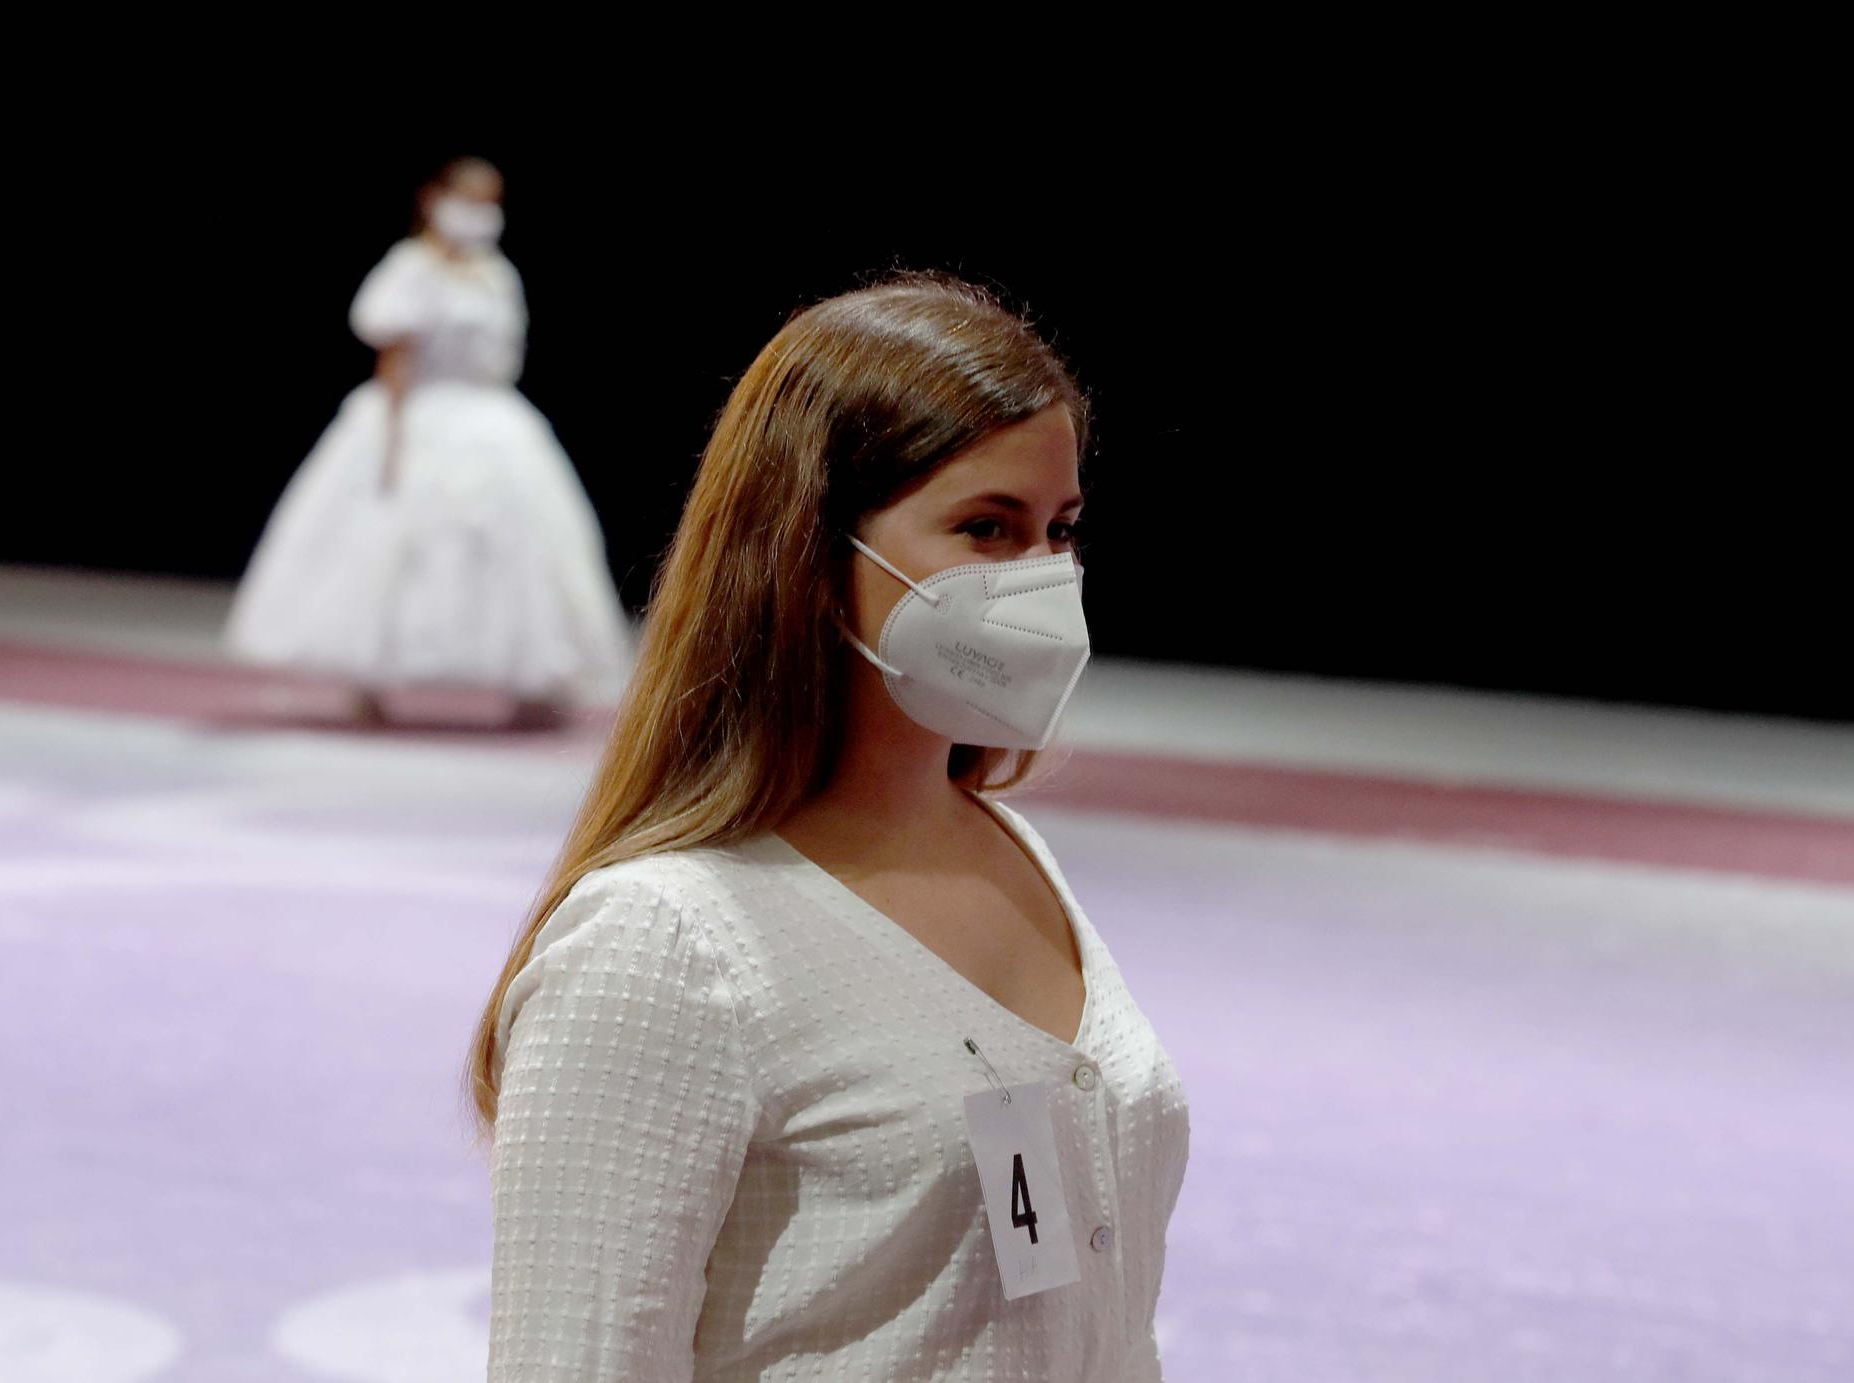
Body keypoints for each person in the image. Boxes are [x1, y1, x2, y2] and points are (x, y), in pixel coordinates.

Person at [465, 271, 1191, 1380]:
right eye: (986, 529)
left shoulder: (1011, 852)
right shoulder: (663, 945)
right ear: (807, 554)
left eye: (1060, 529)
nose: (1044, 580)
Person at [224, 156, 631, 724]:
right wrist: (394, 432)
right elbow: (396, 351)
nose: (479, 214)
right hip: (421, 408)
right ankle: (369, 680)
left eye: (491, 201)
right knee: (393, 537)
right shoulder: (412, 266)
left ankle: (531, 680)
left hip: (488, 416)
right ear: (434, 198)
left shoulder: (496, 272)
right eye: (469, 199)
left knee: (511, 542)